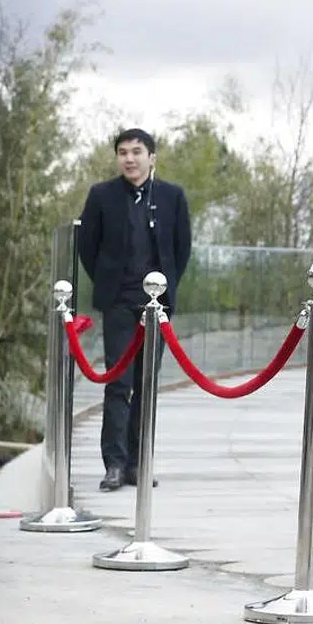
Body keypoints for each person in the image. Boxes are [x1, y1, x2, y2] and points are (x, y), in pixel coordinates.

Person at [77, 128, 193, 492]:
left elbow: (181, 248)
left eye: (137, 151)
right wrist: (109, 284)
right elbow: (87, 247)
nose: (129, 158)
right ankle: (114, 463)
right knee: (118, 383)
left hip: (156, 307)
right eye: (123, 152)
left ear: (151, 157)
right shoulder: (102, 195)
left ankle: (138, 463)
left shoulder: (172, 196)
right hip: (119, 304)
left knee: (146, 386)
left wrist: (166, 290)